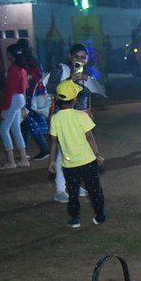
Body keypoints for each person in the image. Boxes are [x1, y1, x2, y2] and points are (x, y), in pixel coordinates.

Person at [47, 80, 106, 229]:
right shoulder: (81, 116)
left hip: (69, 164)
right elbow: (89, 137)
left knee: (72, 192)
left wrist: (52, 161)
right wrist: (97, 154)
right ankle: (100, 215)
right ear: (75, 100)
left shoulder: (55, 118)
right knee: (94, 190)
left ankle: (74, 219)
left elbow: (53, 142)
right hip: (88, 161)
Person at [47, 44, 94, 202]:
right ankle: (60, 190)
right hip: (62, 117)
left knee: (78, 152)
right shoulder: (62, 70)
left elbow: (86, 95)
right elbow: (50, 88)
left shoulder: (86, 73)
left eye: (83, 57)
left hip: (80, 118)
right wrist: (70, 80)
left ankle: (74, 184)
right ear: (70, 57)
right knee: (63, 153)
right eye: (76, 57)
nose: (80, 60)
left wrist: (89, 111)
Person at [0, 43, 31, 169]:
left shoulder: (13, 69)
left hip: (14, 99)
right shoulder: (22, 69)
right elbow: (24, 88)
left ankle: (11, 161)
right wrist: (23, 106)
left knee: (3, 129)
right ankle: (23, 159)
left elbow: (9, 90)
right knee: (16, 129)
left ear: (11, 55)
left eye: (8, 54)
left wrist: (4, 108)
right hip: (20, 99)